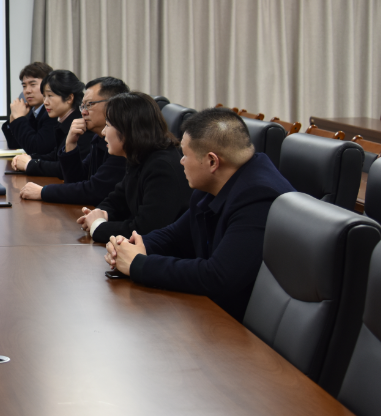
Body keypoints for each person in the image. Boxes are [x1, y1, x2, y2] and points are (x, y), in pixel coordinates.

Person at [104, 108, 296, 321]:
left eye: (185, 155)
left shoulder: (258, 198)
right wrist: (128, 247)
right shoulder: (217, 182)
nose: (181, 161)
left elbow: (218, 276)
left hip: (237, 326)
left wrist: (139, 264)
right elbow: (175, 235)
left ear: (212, 162)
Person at [76, 93, 192, 243]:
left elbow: (145, 230)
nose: (103, 132)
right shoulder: (140, 155)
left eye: (108, 125)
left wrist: (97, 226)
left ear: (128, 130)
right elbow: (118, 199)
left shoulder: (162, 167)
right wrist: (101, 214)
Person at [20, 76, 129, 204]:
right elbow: (77, 179)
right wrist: (70, 144)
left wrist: (43, 192)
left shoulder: (122, 142)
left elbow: (95, 190)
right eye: (83, 106)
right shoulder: (98, 138)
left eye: (89, 105)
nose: (83, 112)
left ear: (113, 105)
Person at [10, 69, 92, 178]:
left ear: (69, 98)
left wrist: (29, 164)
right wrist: (28, 158)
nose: (45, 102)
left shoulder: (81, 125)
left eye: (50, 96)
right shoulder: (64, 121)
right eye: (44, 96)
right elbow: (55, 156)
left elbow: (67, 167)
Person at [2, 62, 56, 153]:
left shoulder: (52, 112)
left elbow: (36, 148)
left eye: (33, 84)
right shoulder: (32, 111)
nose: (27, 91)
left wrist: (19, 118)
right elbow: (15, 145)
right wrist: (13, 120)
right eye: (24, 86)